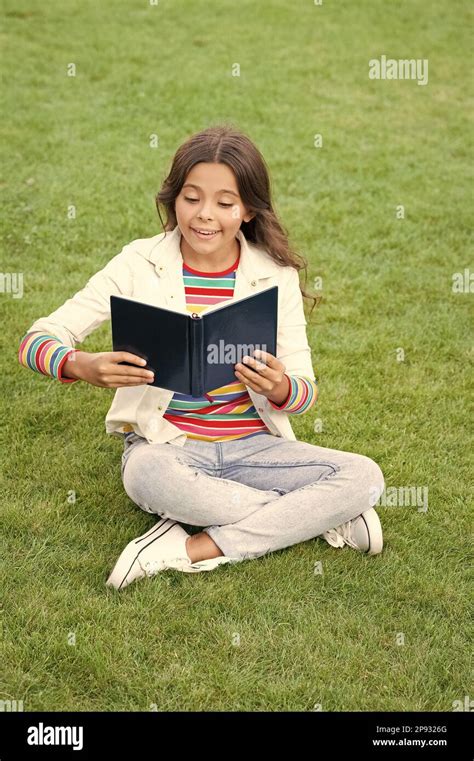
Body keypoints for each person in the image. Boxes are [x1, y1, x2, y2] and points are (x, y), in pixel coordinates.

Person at [18, 124, 385, 592]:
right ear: (174, 199)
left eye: (225, 203)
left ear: (248, 209)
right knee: (149, 477)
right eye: (191, 198)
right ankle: (319, 516)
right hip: (167, 448)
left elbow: (304, 391)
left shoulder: (276, 276)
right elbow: (37, 338)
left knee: (364, 474)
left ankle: (185, 547)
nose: (204, 216)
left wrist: (279, 386)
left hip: (255, 447)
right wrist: (80, 365)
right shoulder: (138, 261)